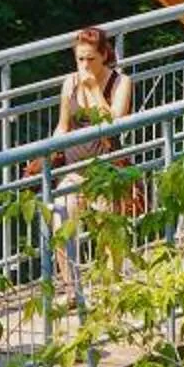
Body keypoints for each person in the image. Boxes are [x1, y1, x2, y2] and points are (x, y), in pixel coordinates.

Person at [46, 26, 136, 231]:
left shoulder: (121, 82)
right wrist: (49, 151)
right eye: (80, 60)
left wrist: (94, 89)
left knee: (109, 235)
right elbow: (62, 126)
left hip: (106, 170)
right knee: (61, 228)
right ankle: (67, 265)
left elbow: (115, 122)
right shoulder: (70, 82)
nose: (85, 65)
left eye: (90, 59)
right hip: (73, 169)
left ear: (104, 55)